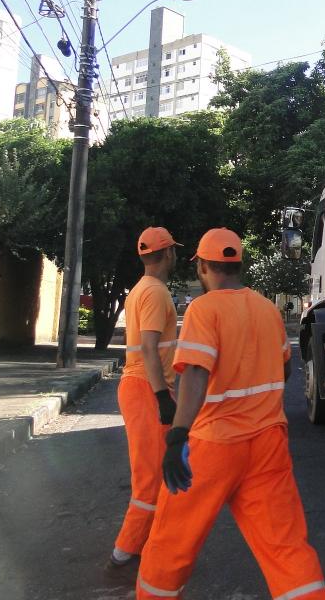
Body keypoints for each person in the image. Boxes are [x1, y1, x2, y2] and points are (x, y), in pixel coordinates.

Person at [137, 228, 325, 600]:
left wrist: (177, 435)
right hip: (269, 442)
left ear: (205, 267)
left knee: (171, 540)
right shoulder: (267, 309)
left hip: (214, 443)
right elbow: (285, 369)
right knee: (285, 545)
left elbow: (194, 371)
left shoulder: (204, 309)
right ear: (237, 264)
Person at [110, 227, 182, 570]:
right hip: (146, 389)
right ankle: (126, 549)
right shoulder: (154, 292)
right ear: (167, 253)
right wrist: (162, 397)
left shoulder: (140, 289)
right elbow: (150, 349)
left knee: (157, 474)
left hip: (142, 387)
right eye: (174, 251)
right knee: (151, 478)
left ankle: (151, 542)